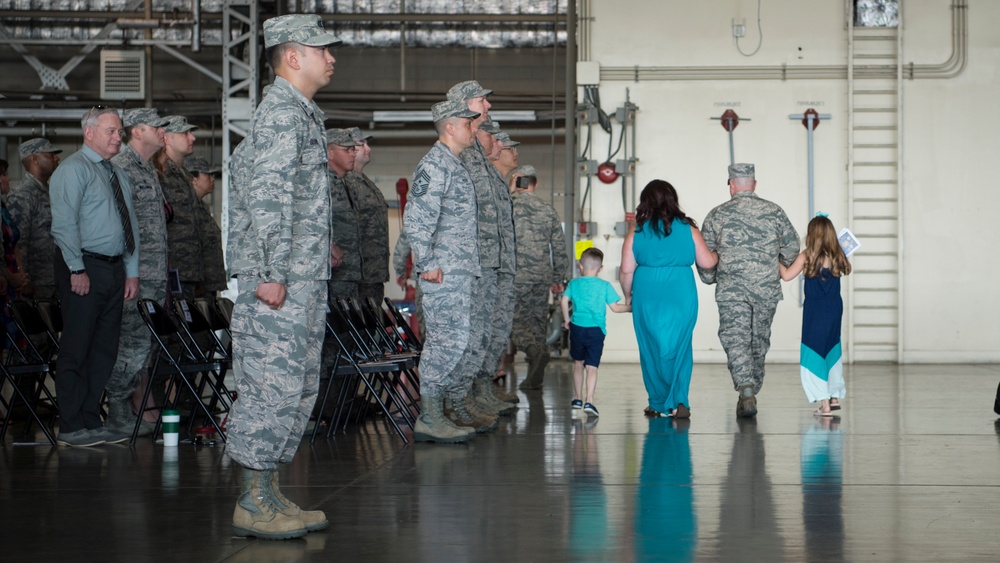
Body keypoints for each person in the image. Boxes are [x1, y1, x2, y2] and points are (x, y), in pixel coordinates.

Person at [225, 13, 340, 540]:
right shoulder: (280, 114)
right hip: (279, 279)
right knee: (270, 386)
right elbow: (268, 199)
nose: (331, 57)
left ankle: (269, 491)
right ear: (293, 56)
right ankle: (251, 501)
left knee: (293, 388)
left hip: (301, 277)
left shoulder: (303, 114)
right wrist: (271, 271)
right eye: (322, 50)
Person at [49, 106, 141, 447]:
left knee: (104, 348)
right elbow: (63, 225)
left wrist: (131, 272)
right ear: (90, 132)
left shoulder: (116, 174)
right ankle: (71, 425)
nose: (119, 137)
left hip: (114, 269)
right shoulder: (73, 170)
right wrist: (76, 268)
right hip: (84, 266)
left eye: (120, 131)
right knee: (77, 346)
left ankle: (91, 419)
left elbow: (129, 225)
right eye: (112, 131)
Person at [402, 98, 482, 443]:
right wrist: (427, 263)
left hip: (457, 272)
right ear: (450, 126)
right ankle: (430, 417)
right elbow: (416, 219)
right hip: (442, 274)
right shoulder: (434, 165)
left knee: (456, 341)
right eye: (467, 123)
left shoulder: (454, 164)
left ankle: (439, 411)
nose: (472, 129)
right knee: (445, 343)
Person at [698, 163, 799, 418]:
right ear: (754, 184)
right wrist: (778, 266)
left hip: (732, 291)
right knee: (759, 340)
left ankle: (746, 390)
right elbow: (791, 246)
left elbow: (705, 255)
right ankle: (752, 389)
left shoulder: (717, 215)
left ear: (731, 185)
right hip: (766, 289)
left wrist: (711, 278)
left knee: (735, 339)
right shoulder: (774, 212)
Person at [620, 179, 718, 419]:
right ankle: (678, 401)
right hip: (681, 292)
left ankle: (657, 402)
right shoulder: (689, 228)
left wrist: (628, 296)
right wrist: (717, 251)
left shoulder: (637, 231)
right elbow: (707, 262)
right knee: (680, 347)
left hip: (647, 293)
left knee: (651, 347)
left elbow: (625, 271)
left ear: (645, 201)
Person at [106, 107, 170, 435]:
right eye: (156, 126)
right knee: (130, 345)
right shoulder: (121, 167)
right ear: (137, 131)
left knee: (144, 346)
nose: (163, 131)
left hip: (154, 274)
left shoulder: (147, 169)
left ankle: (129, 407)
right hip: (134, 276)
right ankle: (117, 409)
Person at [779, 214, 851, 416]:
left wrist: (774, 259)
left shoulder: (807, 255)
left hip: (815, 311)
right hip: (835, 308)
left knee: (813, 352)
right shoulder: (838, 255)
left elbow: (786, 275)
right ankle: (834, 396)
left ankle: (824, 404)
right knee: (832, 349)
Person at [509, 164, 568, 390]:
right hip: (541, 276)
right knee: (536, 324)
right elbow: (559, 247)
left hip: (515, 276)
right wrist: (557, 277)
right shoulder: (547, 210)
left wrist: (509, 191)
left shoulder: (508, 206)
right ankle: (535, 375)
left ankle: (535, 352)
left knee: (514, 323)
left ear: (517, 181)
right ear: (536, 183)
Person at [560, 247, 630, 417]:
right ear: (601, 268)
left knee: (578, 364)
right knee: (592, 367)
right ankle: (589, 401)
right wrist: (632, 308)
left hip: (577, 328)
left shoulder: (573, 284)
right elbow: (615, 308)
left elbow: (563, 300)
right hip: (596, 331)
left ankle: (577, 399)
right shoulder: (604, 286)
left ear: (580, 266)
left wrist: (567, 319)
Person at [8, 138, 62, 300]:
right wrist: (24, 279)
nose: (56, 158)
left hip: (54, 280)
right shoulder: (22, 194)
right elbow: (17, 242)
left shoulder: (50, 191)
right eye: (50, 155)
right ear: (34, 159)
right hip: (35, 285)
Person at [160, 115, 204, 298]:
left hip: (190, 271)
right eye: (185, 133)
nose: (192, 138)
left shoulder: (184, 175)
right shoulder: (160, 174)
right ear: (167, 138)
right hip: (171, 270)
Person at [345, 127, 390, 303]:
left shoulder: (364, 182)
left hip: (373, 273)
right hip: (358, 275)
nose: (368, 148)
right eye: (362, 144)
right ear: (350, 149)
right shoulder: (344, 183)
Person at [324, 128, 362, 301]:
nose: (353, 154)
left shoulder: (348, 183)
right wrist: (330, 248)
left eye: (353, 150)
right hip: (332, 272)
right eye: (347, 150)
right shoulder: (323, 182)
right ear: (330, 153)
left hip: (351, 272)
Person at [184, 156, 227, 296]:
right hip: (197, 286)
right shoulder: (186, 209)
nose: (212, 178)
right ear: (193, 180)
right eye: (207, 175)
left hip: (208, 284)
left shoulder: (202, 207)